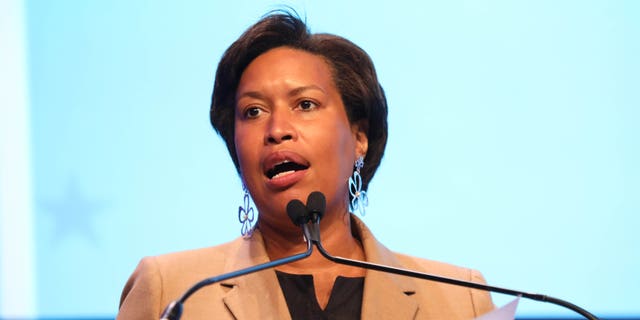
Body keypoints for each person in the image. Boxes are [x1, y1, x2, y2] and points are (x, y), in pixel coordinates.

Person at [117, 12, 495, 320]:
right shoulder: (175, 291)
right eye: (253, 111)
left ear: (360, 137)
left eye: (306, 105)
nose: (277, 130)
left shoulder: (461, 300)